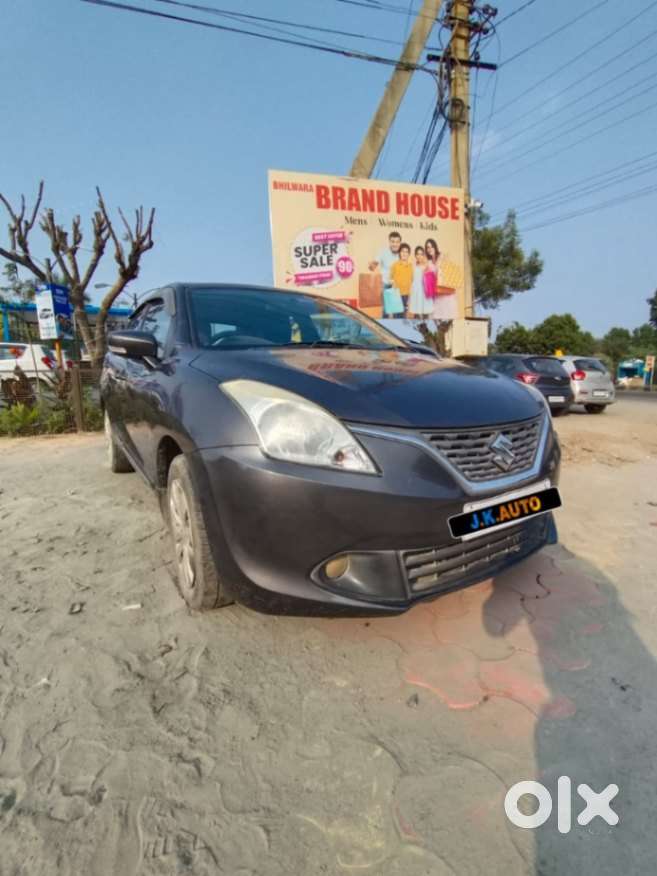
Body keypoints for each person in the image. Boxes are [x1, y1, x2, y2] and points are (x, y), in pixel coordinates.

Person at [408, 246, 433, 317]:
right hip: (416, 292)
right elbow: (412, 280)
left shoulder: (427, 266)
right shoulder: (413, 266)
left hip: (424, 292)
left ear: (424, 255)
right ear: (415, 255)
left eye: (421, 254)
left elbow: (430, 281)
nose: (419, 256)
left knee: (425, 313)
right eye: (418, 254)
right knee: (416, 314)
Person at [389, 243, 413, 315]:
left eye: (406, 252)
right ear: (399, 253)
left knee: (404, 315)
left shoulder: (411, 266)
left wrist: (410, 297)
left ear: (409, 254)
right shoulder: (395, 265)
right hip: (397, 294)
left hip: (406, 295)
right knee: (397, 316)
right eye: (402, 251)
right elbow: (390, 279)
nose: (404, 253)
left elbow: (412, 282)